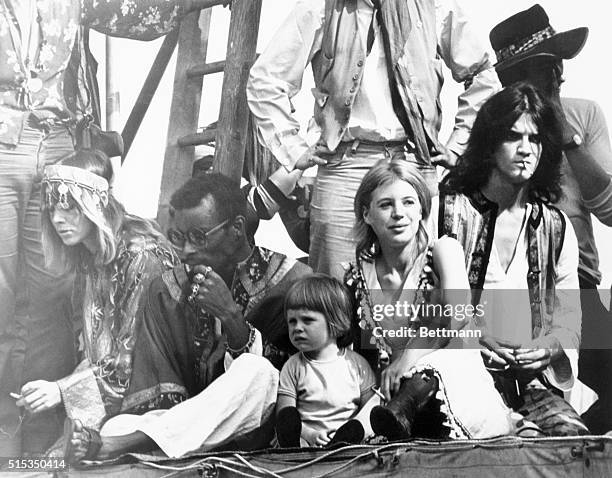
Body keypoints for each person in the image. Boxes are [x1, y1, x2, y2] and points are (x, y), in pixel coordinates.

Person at [0, 0, 206, 454]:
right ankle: (4, 436)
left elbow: (132, 14)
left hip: (57, 138)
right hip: (3, 139)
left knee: (55, 292)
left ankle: (42, 429)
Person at [61, 172, 311, 462]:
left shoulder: (292, 283)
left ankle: (123, 445)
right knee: (119, 423)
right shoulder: (167, 289)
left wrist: (230, 315)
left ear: (237, 228)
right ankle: (143, 442)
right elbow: (161, 389)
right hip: (186, 428)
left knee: (257, 371)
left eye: (198, 236)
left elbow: (284, 387)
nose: (187, 250)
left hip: (254, 432)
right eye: (178, 237)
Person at [247, 0, 500, 277]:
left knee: (416, 283)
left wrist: (458, 147)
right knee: (335, 288)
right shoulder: (323, 5)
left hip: (413, 163)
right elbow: (265, 79)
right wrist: (293, 149)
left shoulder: (434, 5)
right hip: (344, 167)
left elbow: (484, 76)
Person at [439, 82, 590, 436]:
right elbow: (420, 304)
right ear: (490, 145)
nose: (525, 150)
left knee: (575, 448)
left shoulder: (555, 226)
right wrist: (470, 335)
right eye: (512, 137)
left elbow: (569, 319)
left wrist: (550, 349)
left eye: (535, 139)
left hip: (530, 383)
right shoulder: (446, 211)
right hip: (458, 375)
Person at [489, 4, 612, 433]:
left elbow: (611, 210)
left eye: (558, 64)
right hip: (515, 290)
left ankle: (577, 447)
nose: (558, 73)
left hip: (579, 282)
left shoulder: (585, 114)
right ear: (515, 81)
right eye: (545, 66)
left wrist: (566, 135)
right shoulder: (498, 131)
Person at [13, 149, 178, 453]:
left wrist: (60, 391)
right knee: (44, 459)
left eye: (71, 208)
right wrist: (54, 391)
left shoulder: (141, 254)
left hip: (157, 399)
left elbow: (126, 364)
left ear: (96, 205)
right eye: (52, 209)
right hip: (117, 394)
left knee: (58, 462)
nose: (58, 219)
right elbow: (97, 354)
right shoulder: (90, 258)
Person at [344, 158, 515, 441]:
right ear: (367, 214)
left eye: (409, 202)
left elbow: (458, 318)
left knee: (440, 364)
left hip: (455, 381)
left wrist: (409, 356)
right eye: (386, 205)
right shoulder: (358, 275)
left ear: (423, 209)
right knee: (354, 431)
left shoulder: (443, 252)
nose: (398, 213)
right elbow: (363, 354)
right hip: (393, 393)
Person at [276, 274, 375, 447]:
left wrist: (361, 427)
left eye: (307, 320)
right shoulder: (293, 366)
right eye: (292, 321)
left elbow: (369, 408)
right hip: (307, 439)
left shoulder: (357, 365)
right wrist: (310, 434)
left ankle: (345, 442)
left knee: (374, 408)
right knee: (290, 426)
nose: (297, 328)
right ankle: (293, 450)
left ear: (333, 321)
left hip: (345, 437)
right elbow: (284, 412)